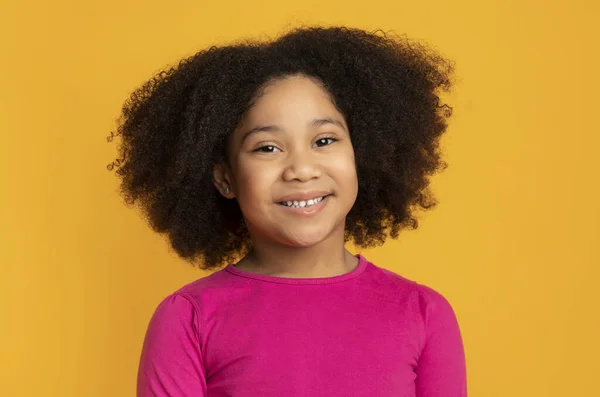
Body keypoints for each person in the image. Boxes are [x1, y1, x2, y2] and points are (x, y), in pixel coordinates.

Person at [107, 25, 466, 397]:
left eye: (324, 141)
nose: (301, 169)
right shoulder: (187, 319)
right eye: (267, 148)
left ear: (363, 154)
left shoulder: (424, 314)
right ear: (225, 178)